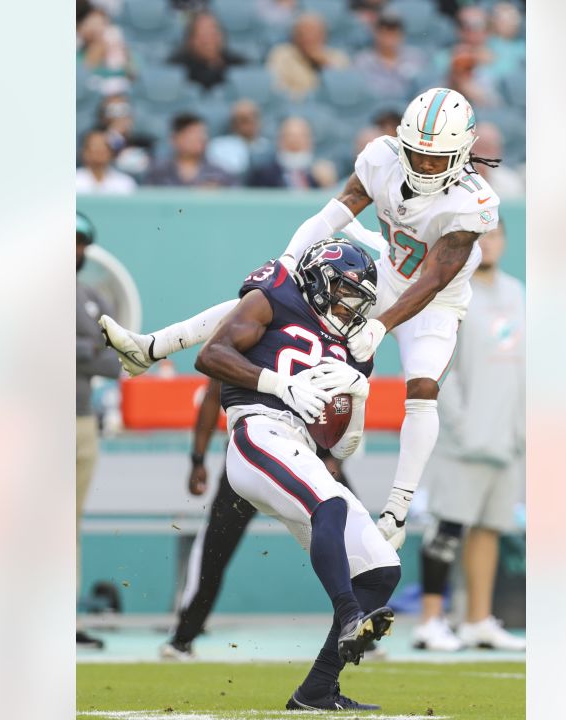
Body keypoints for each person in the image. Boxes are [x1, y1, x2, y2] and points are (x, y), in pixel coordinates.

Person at [100, 87, 504, 554]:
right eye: (417, 154)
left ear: (462, 154)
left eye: (437, 160)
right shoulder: (382, 158)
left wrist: (381, 325)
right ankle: (150, 347)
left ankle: (396, 509)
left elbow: (434, 279)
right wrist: (289, 263)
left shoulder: (474, 203)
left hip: (434, 301)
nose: (425, 166)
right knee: (270, 299)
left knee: (423, 391)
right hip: (388, 272)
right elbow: (331, 214)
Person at [193, 238, 398, 710]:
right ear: (322, 282)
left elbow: (338, 445)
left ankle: (317, 689)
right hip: (257, 432)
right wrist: (277, 382)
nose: (351, 308)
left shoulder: (352, 348)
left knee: (382, 568)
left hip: (301, 448)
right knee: (330, 504)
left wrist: (359, 401)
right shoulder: (275, 297)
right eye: (346, 293)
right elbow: (210, 355)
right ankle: (349, 614)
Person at [162, 378, 365, 660]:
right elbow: (213, 394)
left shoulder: (320, 338)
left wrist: (334, 460)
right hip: (253, 448)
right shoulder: (243, 340)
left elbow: (346, 401)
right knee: (215, 546)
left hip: (308, 452)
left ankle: (362, 630)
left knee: (354, 539)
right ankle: (184, 636)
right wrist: (198, 458)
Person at [411, 222, 526, 652]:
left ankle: (478, 620)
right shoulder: (451, 292)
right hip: (464, 441)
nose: (491, 241)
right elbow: (442, 368)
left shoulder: (517, 292)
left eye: (498, 234)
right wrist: (462, 426)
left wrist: (520, 428)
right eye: (484, 235)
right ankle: (429, 621)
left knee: (489, 529)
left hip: (508, 440)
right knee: (447, 526)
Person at [76, 213, 123, 648]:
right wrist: (86, 349)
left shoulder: (91, 296)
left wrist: (82, 351)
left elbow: (115, 358)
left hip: (81, 420)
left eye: (78, 242)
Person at [266, 13, 350, 101]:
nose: (308, 37)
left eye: (314, 32)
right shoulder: (281, 54)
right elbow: (276, 89)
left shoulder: (338, 57)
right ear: (294, 36)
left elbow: (344, 91)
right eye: (303, 32)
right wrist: (306, 99)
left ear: (324, 35)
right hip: (294, 106)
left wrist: (325, 65)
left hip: (329, 107)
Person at [352, 11, 429, 103]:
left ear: (402, 34)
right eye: (384, 32)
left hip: (409, 107)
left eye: (394, 32)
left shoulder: (416, 58)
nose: (389, 38)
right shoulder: (362, 61)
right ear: (375, 33)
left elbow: (424, 89)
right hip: (373, 110)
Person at [144, 113, 236, 188]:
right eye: (193, 134)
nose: (201, 138)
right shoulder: (158, 172)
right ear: (175, 138)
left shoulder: (219, 174)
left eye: (203, 133)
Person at [246, 116, 336, 190]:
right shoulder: (264, 174)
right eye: (289, 135)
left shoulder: (321, 172)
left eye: (301, 136)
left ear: (311, 140)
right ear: (279, 139)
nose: (294, 141)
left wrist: (328, 185)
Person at [167, 12, 246, 92]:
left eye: (213, 33)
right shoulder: (176, 67)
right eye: (203, 35)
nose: (209, 40)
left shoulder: (237, 64)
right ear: (191, 40)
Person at [207, 100, 272, 179]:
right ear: (234, 123)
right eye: (244, 120)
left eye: (255, 117)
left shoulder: (269, 147)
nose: (251, 122)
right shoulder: (219, 146)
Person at [76, 129, 138, 195]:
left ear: (111, 152)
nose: (100, 150)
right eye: (95, 146)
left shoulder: (125, 183)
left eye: (104, 146)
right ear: (85, 152)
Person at [472, 122, 523, 199]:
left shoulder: (510, 180)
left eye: (487, 148)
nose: (482, 154)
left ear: (499, 150)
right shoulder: (456, 179)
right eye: (478, 147)